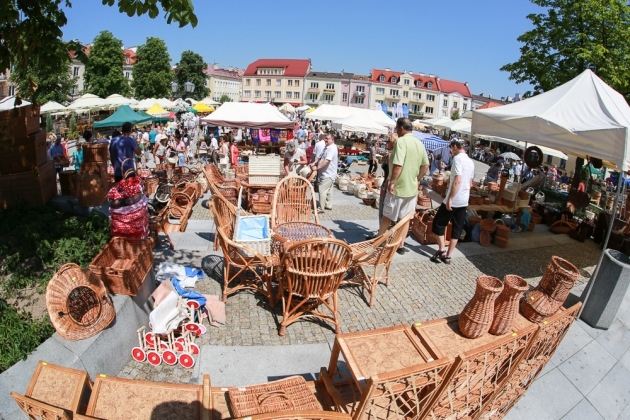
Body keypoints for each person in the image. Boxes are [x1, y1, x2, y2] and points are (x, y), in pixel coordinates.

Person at [365, 118, 429, 254]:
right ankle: (401, 244)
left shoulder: (401, 141)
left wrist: (392, 181)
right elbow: (426, 165)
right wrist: (417, 179)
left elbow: (398, 165)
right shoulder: (419, 143)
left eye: (396, 128)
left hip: (398, 187)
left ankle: (379, 240)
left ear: (400, 128)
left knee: (387, 216)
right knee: (405, 219)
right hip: (411, 188)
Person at [430, 138, 475, 264]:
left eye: (451, 147)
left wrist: (450, 198)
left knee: (438, 224)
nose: (450, 150)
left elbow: (458, 180)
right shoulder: (470, 162)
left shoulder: (457, 159)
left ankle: (442, 250)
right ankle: (448, 256)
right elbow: (470, 183)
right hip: (464, 200)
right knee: (457, 228)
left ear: (455, 146)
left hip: (455, 199)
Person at [309, 134, 338, 213]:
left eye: (327, 139)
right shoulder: (327, 147)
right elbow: (320, 157)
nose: (325, 140)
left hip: (328, 173)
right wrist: (314, 163)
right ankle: (328, 205)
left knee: (322, 189)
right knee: (329, 190)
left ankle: (321, 208)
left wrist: (317, 167)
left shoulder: (332, 148)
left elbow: (327, 160)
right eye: (325, 139)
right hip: (326, 173)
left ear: (332, 140)